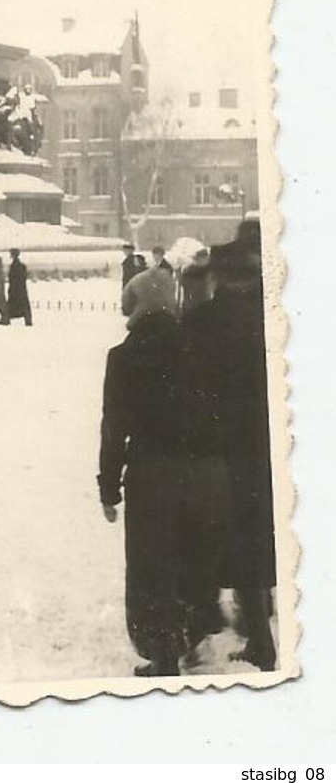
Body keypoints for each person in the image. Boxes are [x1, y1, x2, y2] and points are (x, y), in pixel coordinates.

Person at [98, 307, 231, 676]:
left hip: (152, 475)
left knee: (151, 570)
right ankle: (192, 644)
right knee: (196, 561)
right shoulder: (202, 351)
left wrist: (108, 486)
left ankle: (164, 659)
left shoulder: (123, 357)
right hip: (208, 471)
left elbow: (114, 426)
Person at [182, 233, 277, 671]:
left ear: (221, 277)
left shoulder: (203, 321)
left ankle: (199, 634)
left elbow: (187, 387)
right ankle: (260, 635)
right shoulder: (271, 315)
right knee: (253, 546)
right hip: (263, 448)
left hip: (214, 451)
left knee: (205, 543)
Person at [121, 253, 178, 329]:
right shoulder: (168, 279)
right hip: (166, 317)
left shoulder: (138, 280)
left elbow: (127, 301)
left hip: (142, 316)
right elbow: (171, 300)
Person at [7, 248, 32, 326]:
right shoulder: (22, 266)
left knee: (12, 304)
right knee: (24, 305)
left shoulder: (13, 266)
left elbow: (12, 278)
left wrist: (11, 288)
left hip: (15, 288)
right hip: (22, 288)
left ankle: (6, 319)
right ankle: (28, 321)